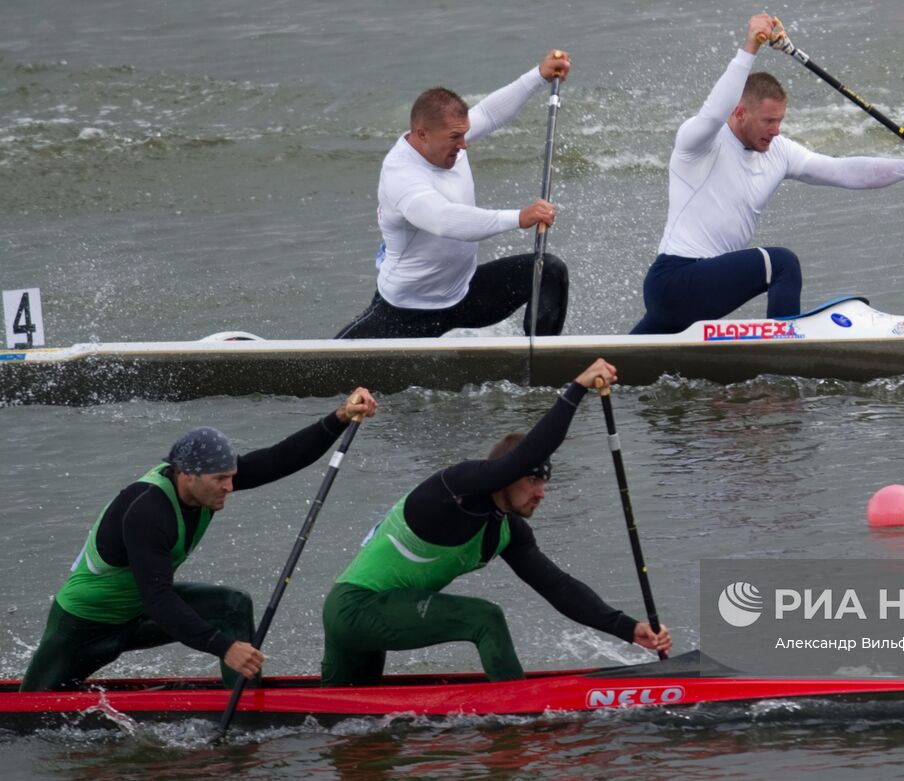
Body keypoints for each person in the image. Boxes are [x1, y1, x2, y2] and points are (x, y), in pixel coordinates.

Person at [320, 358, 671, 686]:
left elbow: (558, 588)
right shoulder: (453, 489)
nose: (541, 493)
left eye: (544, 482)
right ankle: (522, 717)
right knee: (485, 618)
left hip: (372, 616)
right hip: (356, 607)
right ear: (509, 474)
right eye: (532, 480)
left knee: (343, 725)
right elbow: (527, 455)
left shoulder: (507, 531)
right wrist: (577, 388)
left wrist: (629, 628)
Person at [20, 390, 380, 692]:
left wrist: (341, 416)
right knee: (29, 718)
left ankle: (245, 708)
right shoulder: (147, 511)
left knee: (231, 606)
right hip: (83, 626)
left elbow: (278, 459)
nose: (229, 486)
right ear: (187, 475)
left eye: (232, 477)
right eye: (221, 479)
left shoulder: (204, 483)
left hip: (136, 613)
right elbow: (159, 599)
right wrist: (224, 648)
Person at [630, 14, 904, 335]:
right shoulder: (699, 142)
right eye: (768, 121)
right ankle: (783, 349)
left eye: (780, 121)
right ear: (740, 112)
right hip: (674, 280)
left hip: (694, 297)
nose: (776, 130)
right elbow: (715, 109)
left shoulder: (779, 152)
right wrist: (749, 48)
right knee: (782, 264)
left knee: (617, 367)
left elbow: (845, 171)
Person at [336, 50, 573, 339]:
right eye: (455, 138)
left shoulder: (448, 140)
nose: (465, 144)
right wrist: (520, 217)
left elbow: (488, 113)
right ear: (422, 135)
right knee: (320, 374)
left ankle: (540, 363)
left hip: (465, 295)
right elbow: (446, 221)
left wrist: (539, 76)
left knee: (549, 271)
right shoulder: (400, 176)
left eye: (465, 134)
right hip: (406, 312)